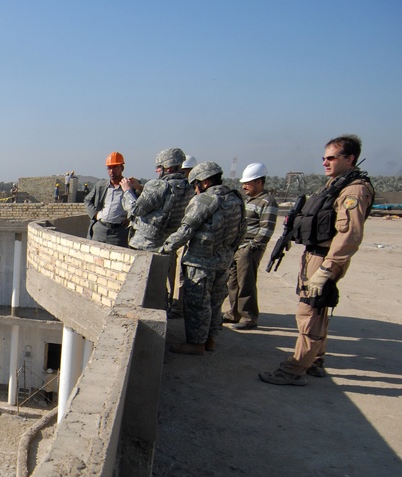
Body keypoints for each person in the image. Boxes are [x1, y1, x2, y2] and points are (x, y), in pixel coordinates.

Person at [259, 134, 374, 385]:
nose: (325, 163)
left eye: (332, 158)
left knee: (309, 311)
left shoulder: (354, 190)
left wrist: (326, 270)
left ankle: (295, 369)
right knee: (316, 310)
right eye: (324, 158)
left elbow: (350, 236)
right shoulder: (335, 185)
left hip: (325, 258)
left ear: (350, 158)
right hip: (315, 255)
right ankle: (315, 360)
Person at [158, 161, 246, 355]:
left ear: (204, 182)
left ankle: (196, 344)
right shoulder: (235, 199)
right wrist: (227, 252)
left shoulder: (205, 200)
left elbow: (186, 230)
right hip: (223, 261)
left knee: (197, 304)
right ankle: (210, 340)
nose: (194, 190)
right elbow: (241, 232)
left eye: (195, 185)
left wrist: (164, 248)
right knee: (215, 303)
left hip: (200, 263)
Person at [223, 162, 277, 330]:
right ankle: (234, 313)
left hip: (249, 248)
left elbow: (266, 228)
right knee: (233, 282)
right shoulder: (249, 200)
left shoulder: (267, 202)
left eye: (248, 183)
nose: (244, 186)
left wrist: (252, 246)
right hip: (238, 246)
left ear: (259, 182)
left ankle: (248, 317)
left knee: (246, 282)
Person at [125, 147, 195, 252]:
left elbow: (135, 210)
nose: (156, 170)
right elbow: (164, 198)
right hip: (167, 245)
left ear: (168, 169)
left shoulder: (157, 185)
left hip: (146, 245)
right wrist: (140, 188)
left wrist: (128, 191)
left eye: (159, 167)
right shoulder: (189, 187)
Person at [168, 153, 199, 318]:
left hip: (185, 236)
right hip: (175, 235)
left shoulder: (194, 190)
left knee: (180, 273)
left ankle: (178, 307)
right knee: (172, 272)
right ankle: (173, 304)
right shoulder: (177, 188)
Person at [84, 151, 130, 247]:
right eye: (109, 168)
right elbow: (87, 200)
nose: (111, 171)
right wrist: (95, 214)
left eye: (115, 167)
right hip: (100, 230)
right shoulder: (101, 186)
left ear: (122, 168)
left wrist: (131, 219)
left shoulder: (128, 187)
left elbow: (140, 206)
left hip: (119, 233)